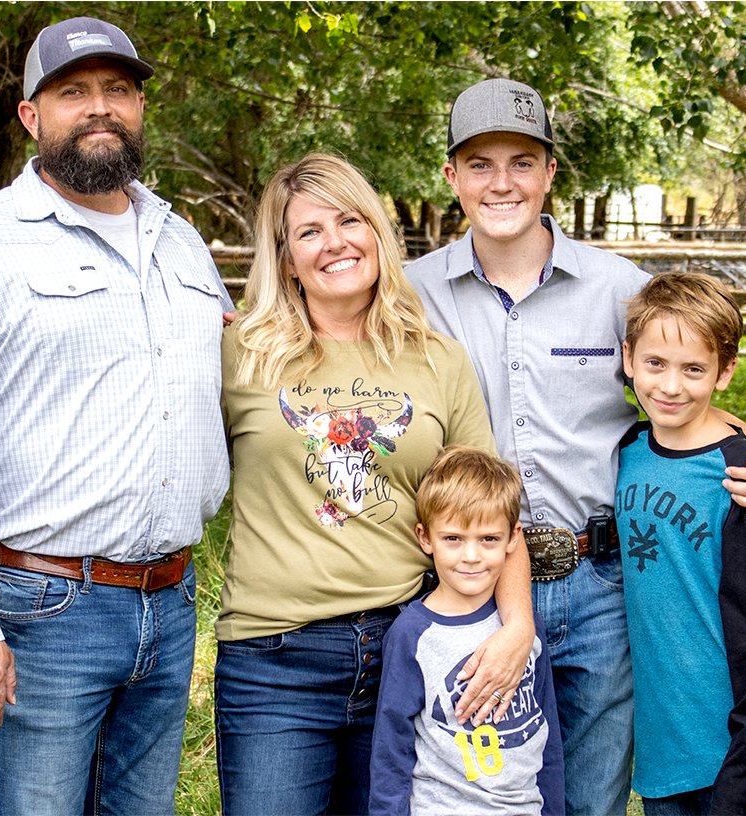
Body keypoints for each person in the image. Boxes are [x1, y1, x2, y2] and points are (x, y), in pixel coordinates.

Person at [404, 78, 746, 816]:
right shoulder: (409, 294)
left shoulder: (620, 288)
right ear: (451, 175)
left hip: (605, 587)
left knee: (590, 798)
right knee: (484, 790)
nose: (502, 182)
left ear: (551, 173)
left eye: (522, 161)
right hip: (476, 578)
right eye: (480, 163)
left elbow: (683, 384)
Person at [0, 17, 233, 816]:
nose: (99, 109)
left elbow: (232, 375)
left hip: (171, 596)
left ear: (141, 106)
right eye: (72, 92)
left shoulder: (182, 243)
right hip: (45, 606)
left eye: (117, 89)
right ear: (30, 115)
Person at [216, 153, 536, 816]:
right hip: (276, 659)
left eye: (350, 220)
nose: (335, 242)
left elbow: (494, 511)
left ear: (377, 233)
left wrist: (516, 627)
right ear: (284, 259)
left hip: (408, 646)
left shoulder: (436, 357)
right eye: (308, 232)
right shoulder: (240, 351)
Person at [615, 273, 746, 816]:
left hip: (739, 764)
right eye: (655, 364)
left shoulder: (741, 477)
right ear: (628, 359)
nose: (671, 387)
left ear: (725, 372)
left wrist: (745, 776)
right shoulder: (628, 450)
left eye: (694, 369)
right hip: (664, 758)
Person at [368, 446, 565, 816]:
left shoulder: (523, 627)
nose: (471, 556)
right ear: (425, 538)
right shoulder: (412, 634)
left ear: (513, 538)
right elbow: (391, 749)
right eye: (453, 539)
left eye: (488, 539)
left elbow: (546, 732)